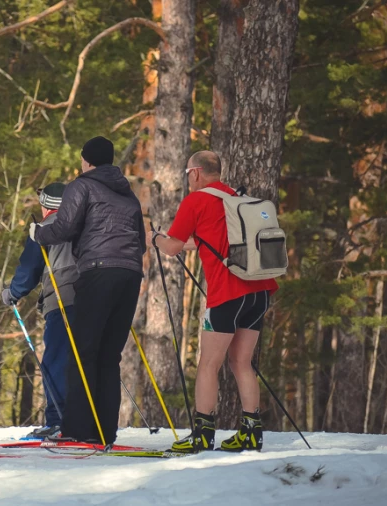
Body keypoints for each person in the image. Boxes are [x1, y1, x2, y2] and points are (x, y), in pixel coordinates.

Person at [149, 150, 278, 453]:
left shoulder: (195, 201)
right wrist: (177, 242)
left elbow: (171, 248)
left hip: (226, 293)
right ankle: (251, 431)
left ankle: (203, 433)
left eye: (187, 173)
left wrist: (153, 238)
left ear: (195, 172)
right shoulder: (235, 198)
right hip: (258, 290)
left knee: (208, 364)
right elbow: (207, 239)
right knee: (241, 362)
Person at [30, 136, 145, 445]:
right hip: (131, 275)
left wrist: (38, 234)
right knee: (109, 355)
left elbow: (64, 227)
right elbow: (141, 242)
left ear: (87, 161)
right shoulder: (128, 195)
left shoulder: (82, 186)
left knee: (82, 354)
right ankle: (104, 431)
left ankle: (78, 431)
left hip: (98, 273)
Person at [1, 183, 77, 439]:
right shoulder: (86, 224)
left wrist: (11, 293)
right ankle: (89, 421)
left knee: (56, 361)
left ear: (46, 206)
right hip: (94, 300)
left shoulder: (44, 229)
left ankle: (58, 422)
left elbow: (29, 270)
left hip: (62, 300)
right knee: (86, 360)